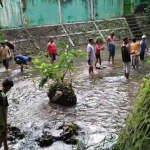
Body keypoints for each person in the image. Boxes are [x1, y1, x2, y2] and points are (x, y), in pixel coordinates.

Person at [0, 79, 14, 150]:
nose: (10, 89)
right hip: (1, 122)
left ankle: (6, 147)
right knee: (0, 139)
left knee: (4, 134)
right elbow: (3, 111)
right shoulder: (3, 96)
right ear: (8, 86)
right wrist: (5, 124)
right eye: (10, 87)